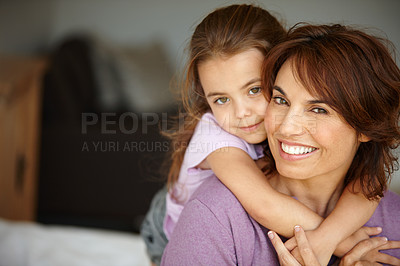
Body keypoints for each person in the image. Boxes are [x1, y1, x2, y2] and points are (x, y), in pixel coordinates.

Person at [141, 4, 377, 265]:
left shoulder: (281, 120)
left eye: (254, 90)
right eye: (221, 99)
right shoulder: (217, 138)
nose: (241, 112)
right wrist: (338, 240)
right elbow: (264, 205)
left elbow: (370, 184)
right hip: (168, 224)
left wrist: (331, 234)